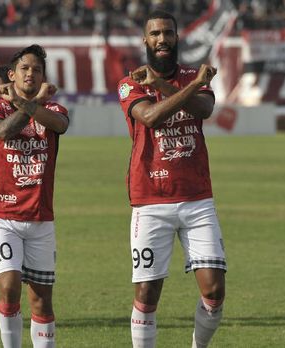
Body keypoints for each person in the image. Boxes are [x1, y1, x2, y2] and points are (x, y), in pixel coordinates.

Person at [116, 10, 227, 348]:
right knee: (147, 293)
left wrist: (168, 84)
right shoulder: (129, 82)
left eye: (168, 33)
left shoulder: (195, 75)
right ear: (145, 41)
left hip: (197, 198)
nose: (162, 39)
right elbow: (149, 116)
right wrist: (188, 86)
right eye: (155, 34)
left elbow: (204, 109)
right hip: (150, 199)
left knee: (214, 292)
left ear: (177, 38)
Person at [0, 44, 68, 348]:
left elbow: (60, 125)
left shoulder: (55, 110)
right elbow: (3, 131)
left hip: (41, 219)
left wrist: (34, 102)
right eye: (25, 68)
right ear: (12, 74)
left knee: (41, 301)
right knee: (10, 286)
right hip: (3, 217)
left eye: (37, 69)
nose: (31, 73)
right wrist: (31, 102)